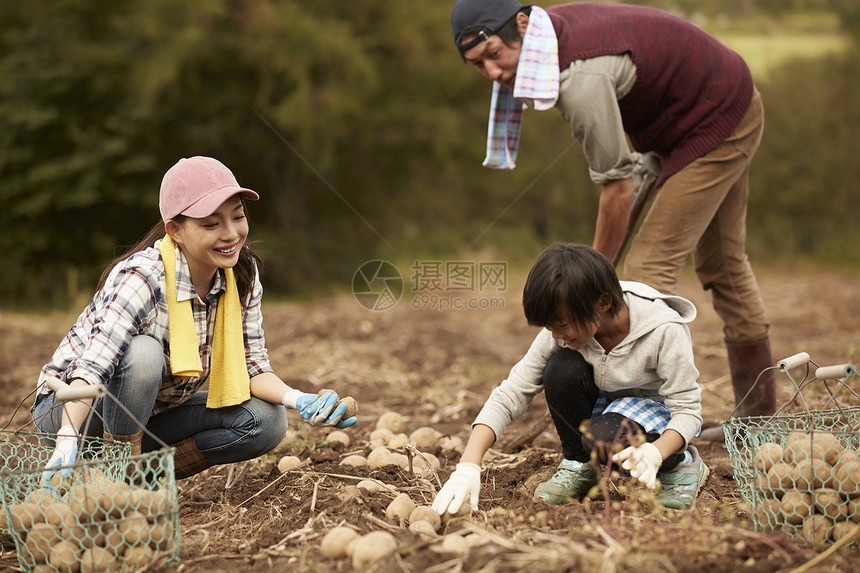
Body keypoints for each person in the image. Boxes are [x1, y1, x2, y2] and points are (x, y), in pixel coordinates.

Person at [448, 0, 776, 441]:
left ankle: (648, 431)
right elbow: (624, 171)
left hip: (717, 115)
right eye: (476, 64)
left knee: (644, 278)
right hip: (682, 122)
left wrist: (582, 287)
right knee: (721, 263)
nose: (491, 72)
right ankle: (761, 426)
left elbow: (616, 187)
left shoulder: (578, 80)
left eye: (493, 53)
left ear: (521, 25)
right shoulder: (551, 36)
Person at [33, 156, 357, 481]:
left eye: (238, 217)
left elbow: (252, 366)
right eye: (211, 224)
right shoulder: (143, 277)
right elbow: (94, 366)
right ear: (175, 229)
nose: (231, 234)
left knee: (267, 421)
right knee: (143, 353)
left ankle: (136, 476)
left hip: (154, 410)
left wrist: (301, 400)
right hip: (75, 408)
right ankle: (117, 473)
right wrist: (67, 438)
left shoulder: (240, 274)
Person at [431, 243, 707, 513]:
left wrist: (656, 451)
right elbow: (512, 391)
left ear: (603, 302)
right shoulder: (568, 324)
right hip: (610, 404)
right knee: (561, 368)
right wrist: (468, 465)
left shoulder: (665, 331)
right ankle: (579, 464)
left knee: (606, 439)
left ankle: (682, 463)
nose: (555, 335)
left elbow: (688, 411)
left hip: (659, 415)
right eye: (549, 326)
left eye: (561, 324)